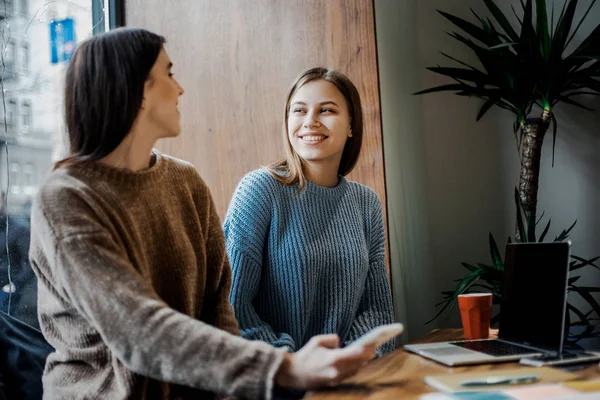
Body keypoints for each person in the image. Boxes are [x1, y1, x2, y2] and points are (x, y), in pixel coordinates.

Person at [28, 28, 375, 399]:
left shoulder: (185, 181)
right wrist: (286, 368)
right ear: (138, 90)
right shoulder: (66, 199)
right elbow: (140, 332)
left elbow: (220, 309)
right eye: (170, 74)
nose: (180, 89)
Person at [224, 67, 396, 360]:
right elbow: (232, 306)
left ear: (352, 125)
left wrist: (347, 359)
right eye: (299, 110)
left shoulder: (366, 203)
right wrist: (294, 365)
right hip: (278, 378)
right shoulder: (259, 189)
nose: (310, 122)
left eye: (326, 110)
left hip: (351, 377)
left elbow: (378, 310)